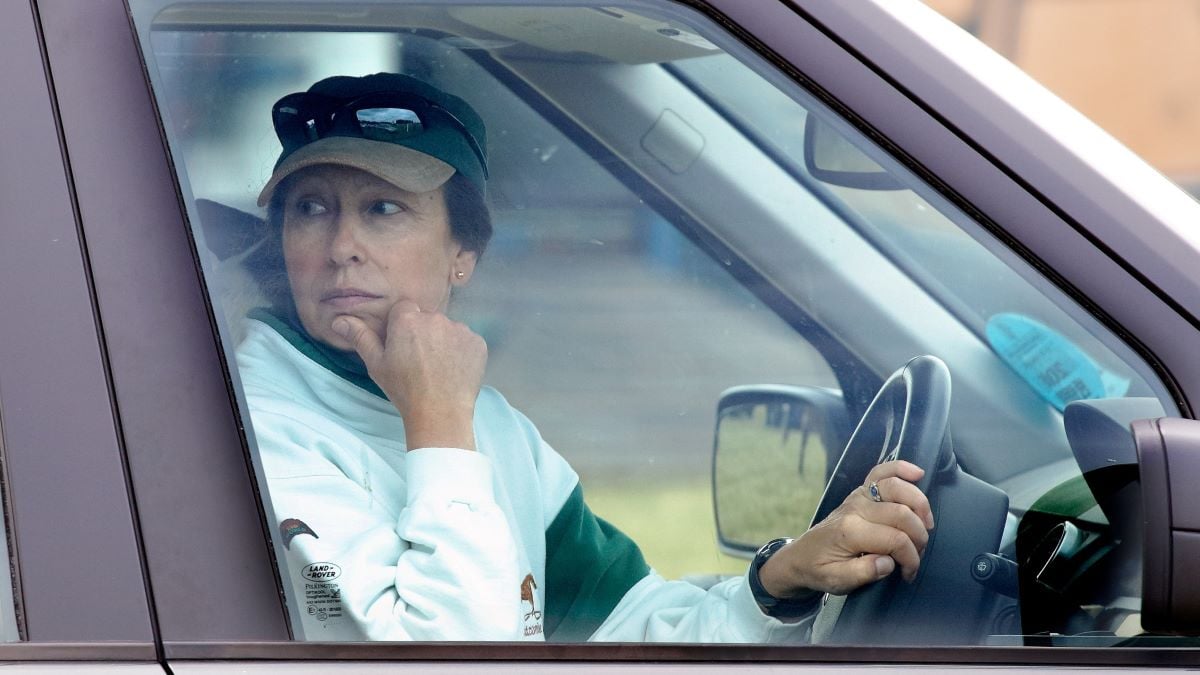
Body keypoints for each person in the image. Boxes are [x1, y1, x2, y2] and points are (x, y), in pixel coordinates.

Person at [235, 72, 934, 642]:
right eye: (311, 208)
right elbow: (445, 664)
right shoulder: (252, 428)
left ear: (462, 255)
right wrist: (441, 425)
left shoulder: (493, 427)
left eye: (383, 209)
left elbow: (625, 627)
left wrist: (778, 581)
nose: (341, 245)